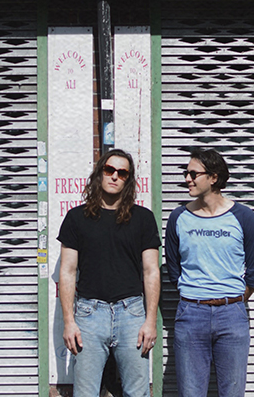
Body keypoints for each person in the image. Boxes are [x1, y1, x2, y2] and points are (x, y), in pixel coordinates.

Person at [58, 149, 161, 397]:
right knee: (85, 392)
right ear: (100, 173)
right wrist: (69, 322)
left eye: (122, 173)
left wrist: (150, 321)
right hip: (89, 314)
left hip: (132, 313)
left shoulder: (143, 218)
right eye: (109, 170)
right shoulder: (76, 218)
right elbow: (68, 271)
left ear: (128, 180)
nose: (114, 176)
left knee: (137, 392)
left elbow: (151, 271)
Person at [165, 149, 254, 397]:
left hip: (232, 314)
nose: (187, 179)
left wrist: (233, 299)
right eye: (186, 173)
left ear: (213, 177)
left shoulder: (243, 216)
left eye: (193, 174)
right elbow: (173, 268)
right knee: (190, 393)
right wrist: (193, 295)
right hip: (191, 313)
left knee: (232, 392)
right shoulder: (179, 217)